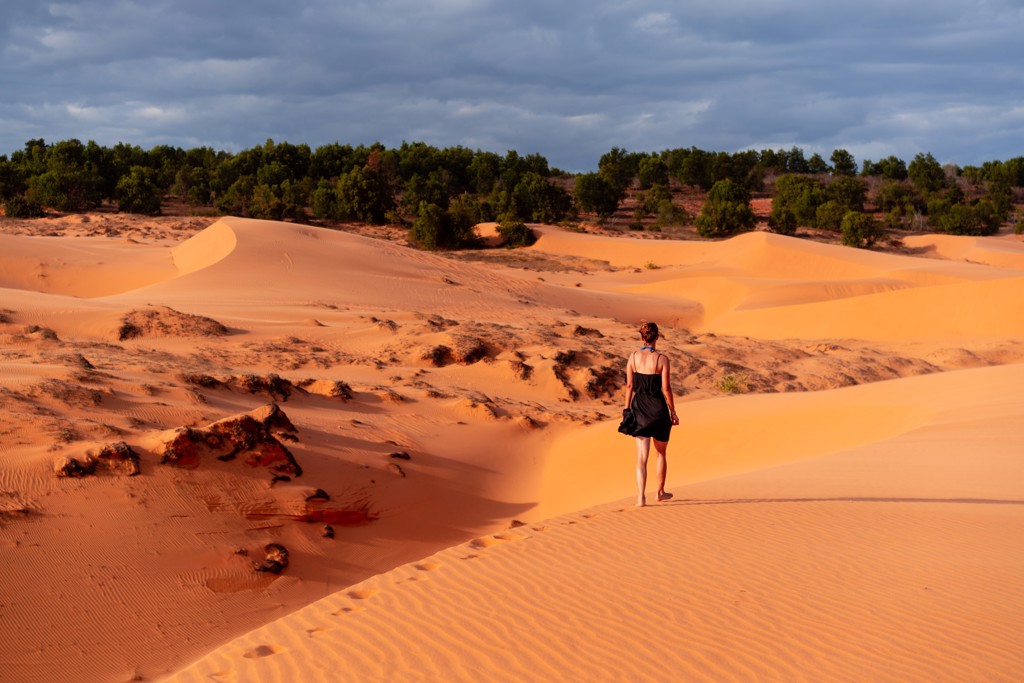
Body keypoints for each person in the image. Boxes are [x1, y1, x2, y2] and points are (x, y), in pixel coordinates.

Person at [622, 321, 679, 506]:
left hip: (639, 409)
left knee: (641, 457)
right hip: (658, 410)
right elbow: (666, 388)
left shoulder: (633, 357)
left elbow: (629, 385)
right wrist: (673, 411)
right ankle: (660, 492)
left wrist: (626, 409)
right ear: (657, 337)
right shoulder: (662, 359)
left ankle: (641, 497)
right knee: (661, 453)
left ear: (641, 337)